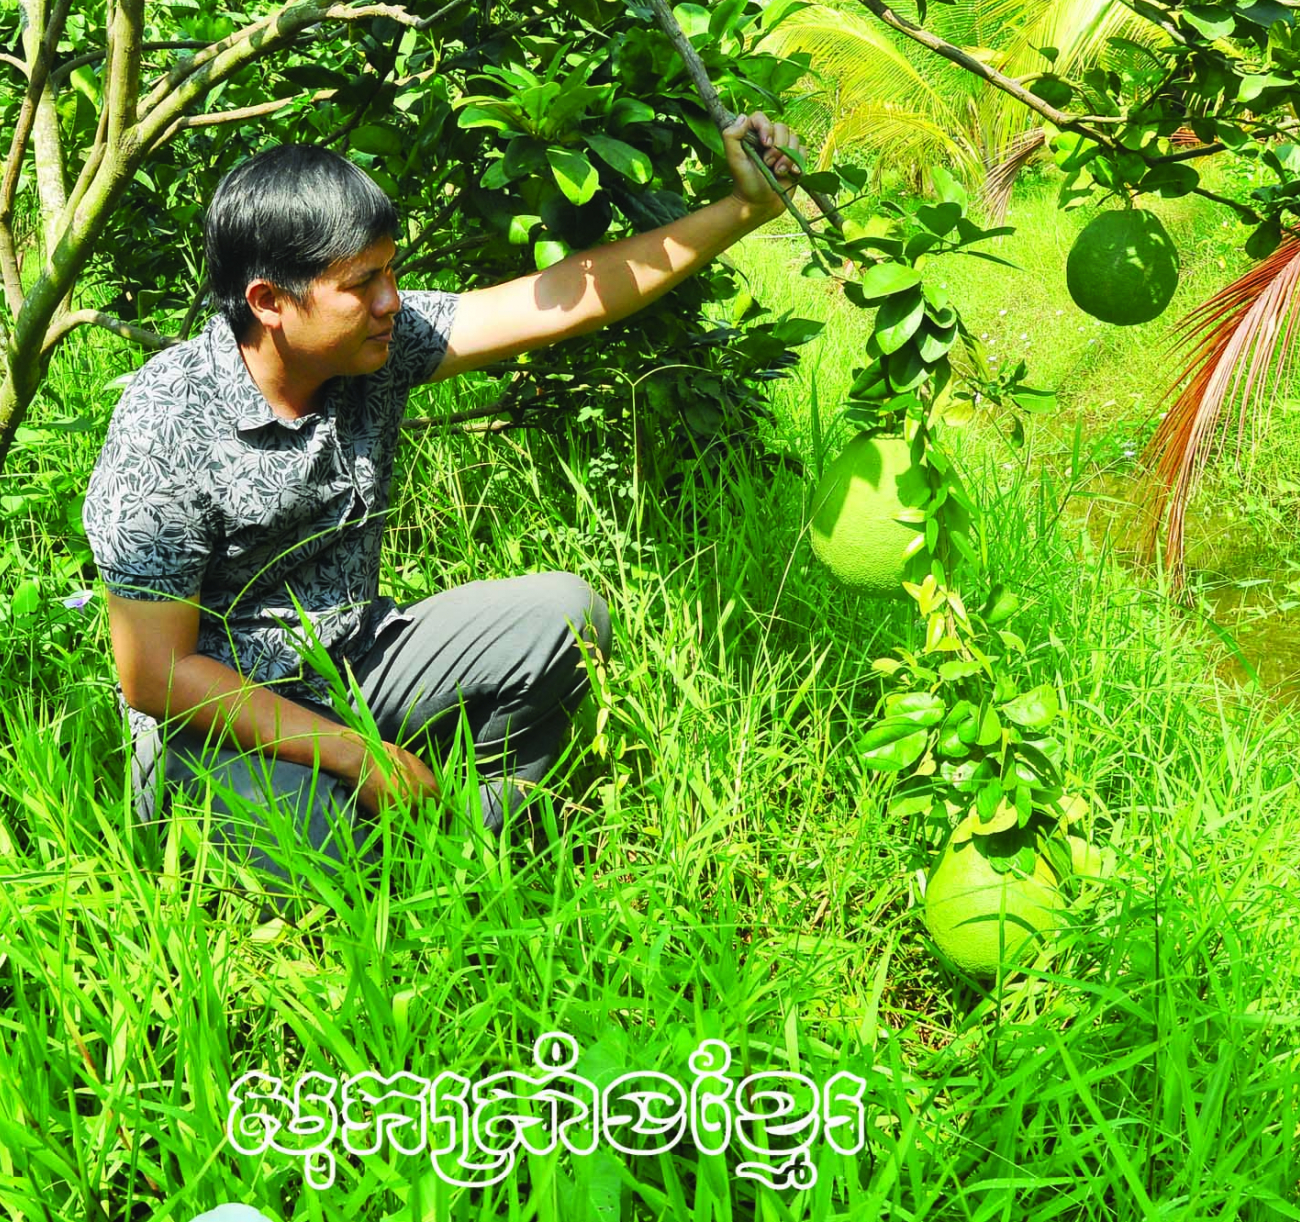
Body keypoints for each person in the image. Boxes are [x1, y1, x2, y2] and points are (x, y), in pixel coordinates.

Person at [82, 111, 803, 885]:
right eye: (364, 282)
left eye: (391, 272)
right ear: (269, 301)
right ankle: (374, 842)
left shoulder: (375, 344)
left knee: (566, 617)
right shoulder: (168, 420)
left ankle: (475, 834)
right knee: (314, 850)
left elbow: (561, 297)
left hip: (357, 660)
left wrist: (745, 210)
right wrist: (351, 753)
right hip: (225, 719)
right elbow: (155, 674)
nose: (392, 300)